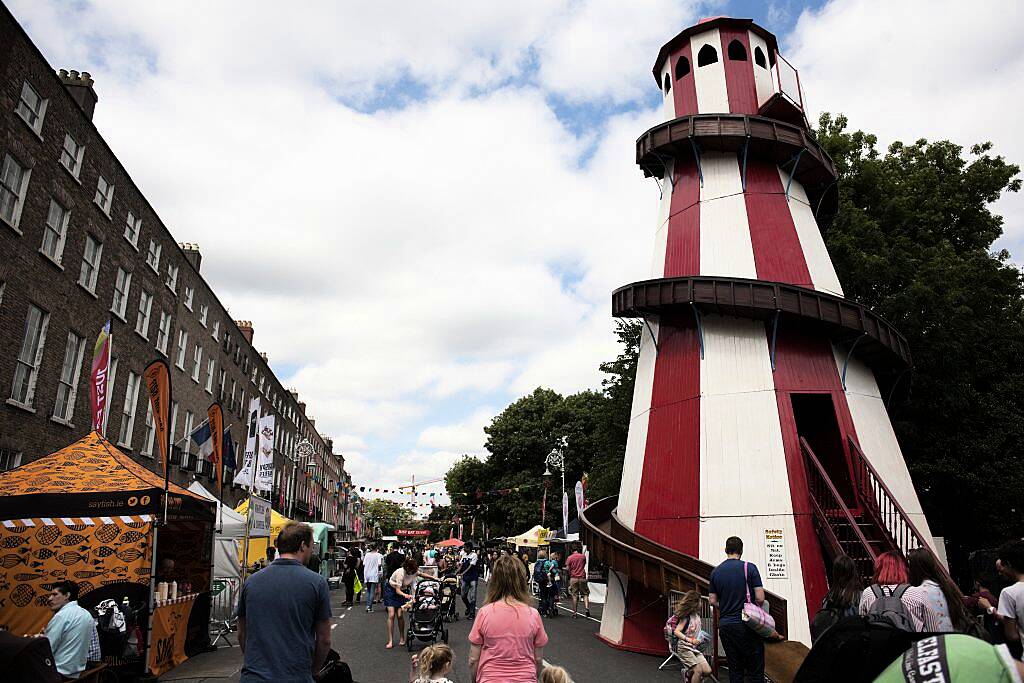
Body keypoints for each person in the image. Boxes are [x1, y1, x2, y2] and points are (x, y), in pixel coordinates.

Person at [237, 522, 332, 682]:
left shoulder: (251, 582)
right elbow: (324, 639)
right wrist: (313, 670)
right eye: (311, 546)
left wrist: (255, 664)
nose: (311, 551)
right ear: (303, 546)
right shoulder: (317, 583)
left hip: (254, 677)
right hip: (296, 676)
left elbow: (242, 633)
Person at [468, 554, 548, 682]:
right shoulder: (533, 614)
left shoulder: (485, 613)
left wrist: (475, 679)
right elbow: (538, 659)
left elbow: (473, 659)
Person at [708, 536, 767, 683]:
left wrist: (727, 605)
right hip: (746, 625)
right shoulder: (750, 568)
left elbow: (712, 600)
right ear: (741, 550)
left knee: (735, 669)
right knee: (755, 670)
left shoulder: (716, 572)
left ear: (725, 550)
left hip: (726, 626)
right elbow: (760, 598)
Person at [858, 551, 932, 632]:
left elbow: (862, 626)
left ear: (878, 569)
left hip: (878, 642)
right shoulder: (918, 593)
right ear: (902, 570)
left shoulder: (868, 593)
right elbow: (932, 628)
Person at [905, 547, 972, 632]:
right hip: (952, 638)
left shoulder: (917, 593)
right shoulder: (946, 588)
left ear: (914, 569)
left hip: (934, 641)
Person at [40, 581, 95, 679]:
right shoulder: (86, 614)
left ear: (67, 595)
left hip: (59, 673)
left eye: (55, 594)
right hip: (76, 672)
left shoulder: (62, 616)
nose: (49, 599)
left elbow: (47, 650)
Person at [980, 539, 1024, 660]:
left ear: (1009, 564)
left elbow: (1012, 635)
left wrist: (989, 608)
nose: (1000, 573)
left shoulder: (1009, 593)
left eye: (1002, 566)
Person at [810, 554, 862, 642]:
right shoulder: (859, 597)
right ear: (853, 572)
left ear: (835, 573)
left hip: (831, 644)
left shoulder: (828, 597)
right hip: (850, 644)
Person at [385, 557, 433, 649]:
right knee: (391, 615)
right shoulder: (400, 573)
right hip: (391, 590)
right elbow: (397, 590)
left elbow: (422, 574)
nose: (413, 572)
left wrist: (434, 578)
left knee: (399, 615)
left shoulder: (413, 571)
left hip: (402, 591)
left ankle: (402, 637)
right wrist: (406, 596)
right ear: (407, 568)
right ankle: (390, 640)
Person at [666, 589, 712, 683]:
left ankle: (688, 673)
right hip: (684, 648)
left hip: (694, 648)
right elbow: (677, 631)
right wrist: (690, 640)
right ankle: (692, 676)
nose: (701, 604)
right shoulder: (686, 617)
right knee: (698, 671)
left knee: (707, 671)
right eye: (700, 601)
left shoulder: (697, 616)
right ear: (695, 603)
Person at [566, 544, 590, 619]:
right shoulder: (583, 556)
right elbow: (584, 564)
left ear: (571, 550)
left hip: (574, 578)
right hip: (582, 577)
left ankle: (575, 613)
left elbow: (567, 568)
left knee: (575, 595)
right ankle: (587, 609)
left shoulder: (569, 558)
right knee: (585, 594)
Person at [458, 541, 480, 619]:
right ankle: (468, 607)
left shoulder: (474, 555)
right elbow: (461, 565)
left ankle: (472, 613)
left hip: (473, 578)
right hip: (465, 578)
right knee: (463, 595)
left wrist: (462, 573)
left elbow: (470, 566)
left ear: (469, 548)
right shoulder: (463, 555)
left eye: (465, 547)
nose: (464, 548)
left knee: (472, 597)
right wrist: (457, 571)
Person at [363, 543, 383, 613]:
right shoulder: (378, 555)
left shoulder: (367, 554)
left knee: (368, 591)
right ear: (377, 547)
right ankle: (369, 607)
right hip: (374, 574)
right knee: (372, 591)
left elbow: (364, 564)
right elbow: (379, 564)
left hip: (366, 574)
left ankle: (367, 606)